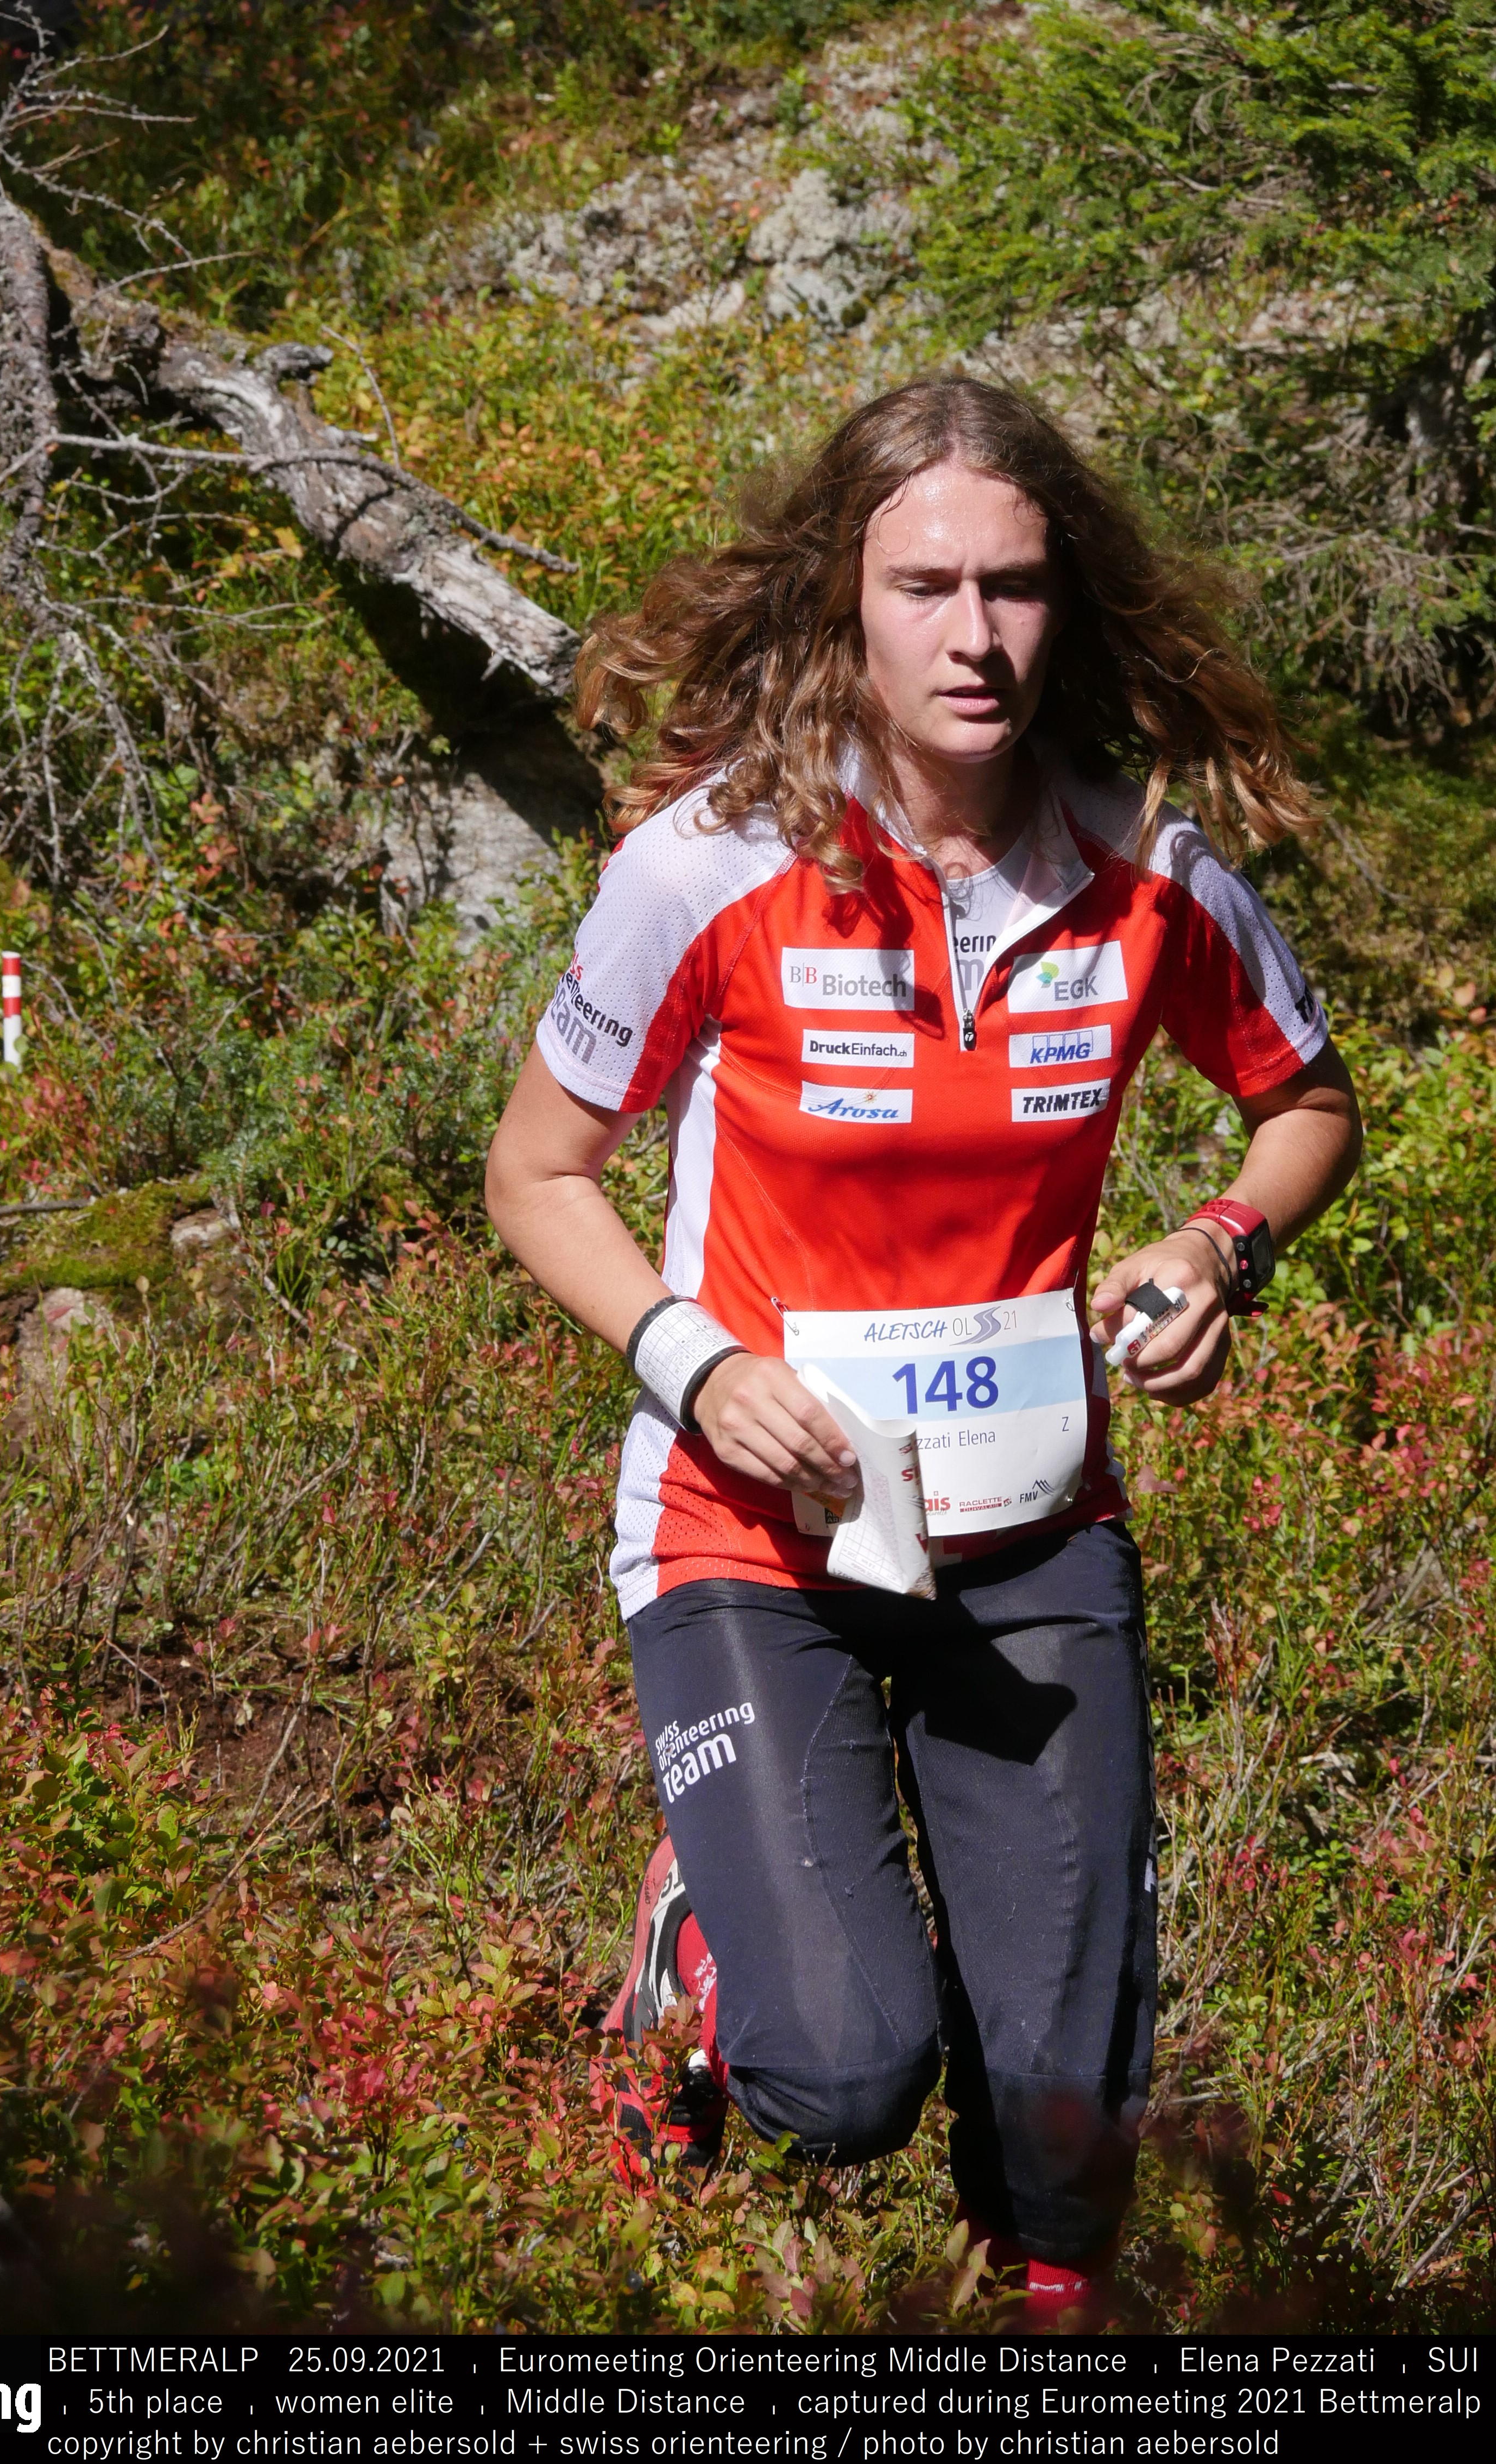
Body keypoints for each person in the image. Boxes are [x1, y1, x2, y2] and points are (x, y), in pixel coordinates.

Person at [484, 378, 1361, 2321]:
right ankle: (698, 1948)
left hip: (1028, 1534)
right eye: (925, 587)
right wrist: (697, 1363)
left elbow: (1307, 1106)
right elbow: (535, 1173)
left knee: (1066, 2137)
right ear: (843, 603)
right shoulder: (706, 867)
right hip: (749, 1530)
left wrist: (1216, 1245)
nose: (975, 636)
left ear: (1065, 605)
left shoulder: (1151, 872)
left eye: (1015, 587)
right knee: (845, 2073)